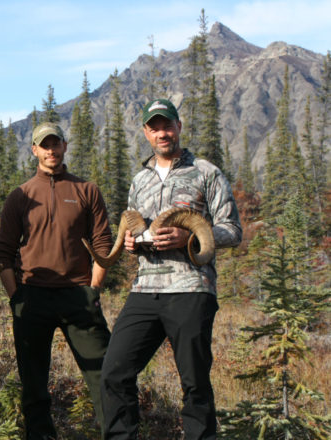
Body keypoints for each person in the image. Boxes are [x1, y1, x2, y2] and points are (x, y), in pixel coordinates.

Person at [100, 99, 242, 439]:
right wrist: (132, 243)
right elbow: (134, 228)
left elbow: (232, 230)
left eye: (167, 125)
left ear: (178, 127)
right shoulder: (140, 179)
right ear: (147, 133)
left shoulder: (207, 173)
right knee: (114, 372)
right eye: (154, 127)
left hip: (191, 288)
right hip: (145, 290)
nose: (162, 133)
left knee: (194, 382)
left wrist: (189, 236)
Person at [0, 122, 114, 439]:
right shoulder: (20, 196)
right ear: (34, 150)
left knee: (104, 376)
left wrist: (93, 290)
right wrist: (15, 297)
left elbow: (102, 246)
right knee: (33, 385)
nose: (50, 150)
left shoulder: (85, 190)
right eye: (43, 144)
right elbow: (3, 254)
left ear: (64, 145)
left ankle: (114, 433)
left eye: (55, 143)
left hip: (78, 297)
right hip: (32, 297)